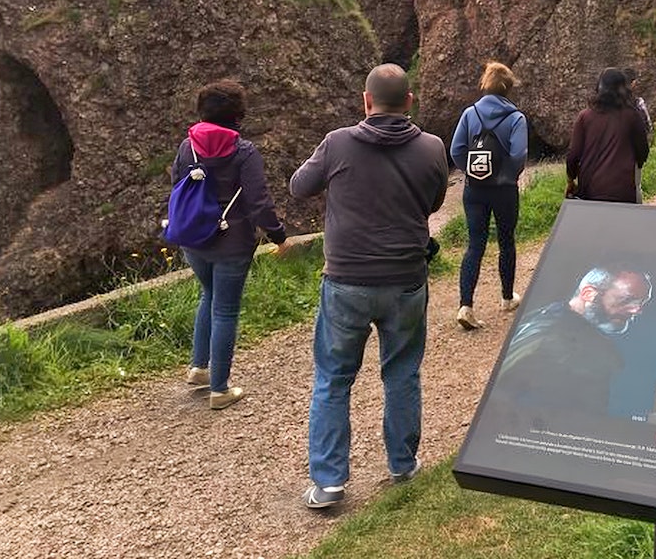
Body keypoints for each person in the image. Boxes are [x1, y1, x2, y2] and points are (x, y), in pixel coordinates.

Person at [289, 64, 449, 509]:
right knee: (401, 372)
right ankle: (402, 463)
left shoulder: (338, 142)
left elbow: (299, 187)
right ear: (410, 102)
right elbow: (433, 201)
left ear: (366, 101)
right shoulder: (433, 148)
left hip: (346, 280)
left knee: (333, 378)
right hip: (405, 281)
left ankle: (329, 482)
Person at [172, 80, 288, 411]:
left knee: (208, 295)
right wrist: (277, 235)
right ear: (238, 115)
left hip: (193, 239)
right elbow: (259, 201)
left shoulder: (186, 148)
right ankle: (220, 389)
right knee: (225, 309)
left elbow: (177, 187)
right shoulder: (244, 151)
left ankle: (199, 368)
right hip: (232, 242)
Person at [493, 266, 653, 416]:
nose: (637, 310)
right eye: (628, 300)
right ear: (588, 293)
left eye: (641, 303)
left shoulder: (552, 316)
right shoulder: (552, 339)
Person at [450, 61, 528, 331]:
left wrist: (472, 171)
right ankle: (507, 298)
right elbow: (518, 155)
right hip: (504, 190)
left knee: (475, 244)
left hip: (475, 188)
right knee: (506, 240)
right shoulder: (516, 118)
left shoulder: (470, 114)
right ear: (508, 88)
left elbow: (456, 150)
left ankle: (465, 305)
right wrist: (507, 174)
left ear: (486, 84)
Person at [566, 68, 650, 203]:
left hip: (590, 191)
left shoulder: (585, 117)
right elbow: (643, 152)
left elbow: (573, 155)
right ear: (625, 89)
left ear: (598, 88)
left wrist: (571, 180)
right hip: (623, 191)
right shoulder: (632, 116)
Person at [623, 67, 654, 203]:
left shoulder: (608, 105)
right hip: (633, 154)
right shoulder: (638, 103)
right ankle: (637, 216)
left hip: (610, 153)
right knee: (635, 186)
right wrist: (643, 154)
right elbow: (648, 126)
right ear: (634, 83)